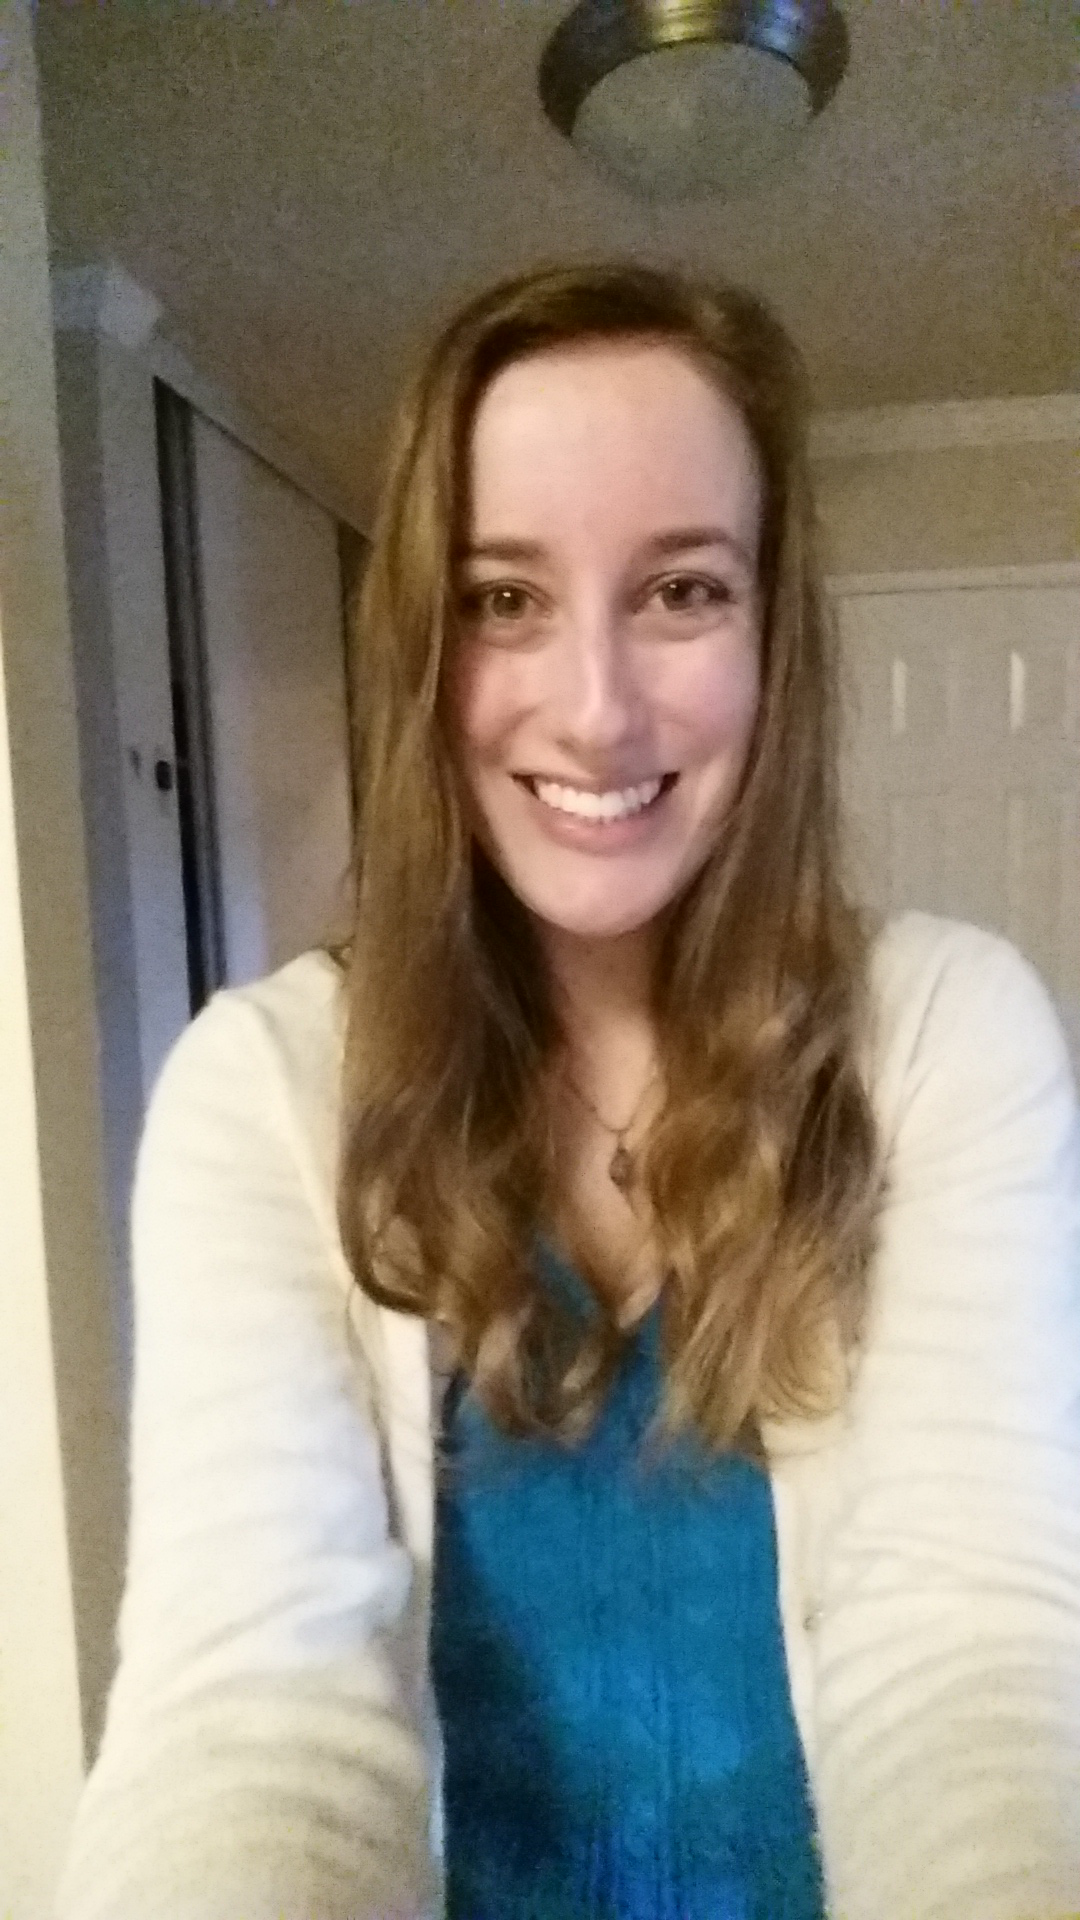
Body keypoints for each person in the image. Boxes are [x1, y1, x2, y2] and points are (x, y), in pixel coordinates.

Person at [57, 263, 1079, 1920]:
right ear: (419, 644)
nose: (597, 711)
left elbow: (974, 1652)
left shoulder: (947, 1041)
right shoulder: (261, 1096)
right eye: (504, 598)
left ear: (773, 636)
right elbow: (251, 1716)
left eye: (681, 589)